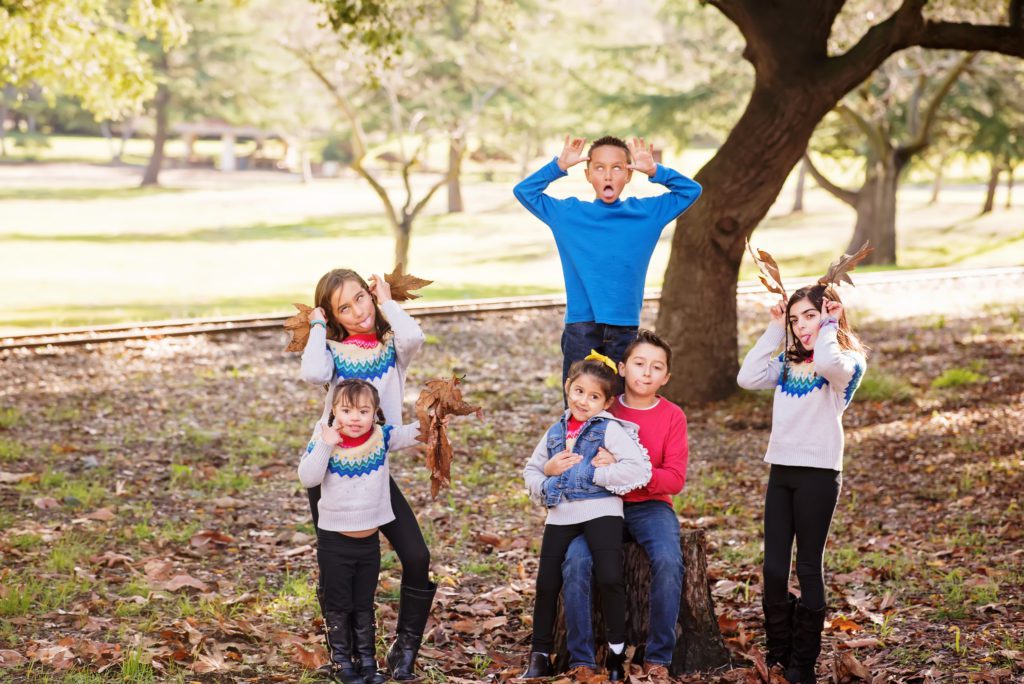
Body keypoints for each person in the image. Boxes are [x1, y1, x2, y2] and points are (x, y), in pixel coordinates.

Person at [300, 269, 433, 681]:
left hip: (375, 466)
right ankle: (345, 659)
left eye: (362, 298)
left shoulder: (393, 346)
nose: (359, 311)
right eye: (345, 307)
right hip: (331, 469)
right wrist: (319, 326)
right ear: (336, 318)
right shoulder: (335, 352)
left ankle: (404, 650)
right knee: (337, 571)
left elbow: (415, 338)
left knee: (417, 556)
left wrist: (387, 300)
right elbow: (313, 374)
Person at [737, 285, 866, 684]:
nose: (801, 326)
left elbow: (829, 362)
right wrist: (777, 328)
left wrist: (829, 324)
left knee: (808, 567)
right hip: (782, 472)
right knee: (774, 568)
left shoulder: (847, 362)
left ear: (829, 315)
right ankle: (779, 652)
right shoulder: (788, 364)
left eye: (808, 315)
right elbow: (747, 376)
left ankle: (802, 665)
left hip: (819, 475)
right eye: (796, 319)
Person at [512, 135, 702, 390]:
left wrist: (655, 170)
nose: (608, 176)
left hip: (624, 327)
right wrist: (558, 166)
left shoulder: (647, 214)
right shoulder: (569, 214)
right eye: (599, 168)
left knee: (620, 404)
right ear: (588, 175)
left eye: (617, 168)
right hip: (581, 326)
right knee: (579, 404)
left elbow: (691, 190)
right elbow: (524, 191)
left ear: (629, 174)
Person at [560, 330, 689, 681]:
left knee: (668, 559)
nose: (646, 373)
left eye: (656, 367)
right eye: (639, 363)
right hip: (601, 504)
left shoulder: (672, 416)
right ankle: (582, 659)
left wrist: (629, 472)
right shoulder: (601, 408)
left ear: (666, 377)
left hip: (651, 506)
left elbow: (674, 479)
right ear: (622, 367)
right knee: (575, 561)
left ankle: (658, 656)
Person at [521, 353, 652, 681]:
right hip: (561, 514)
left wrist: (599, 474)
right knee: (547, 582)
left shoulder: (609, 429)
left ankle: (616, 656)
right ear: (568, 386)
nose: (583, 401)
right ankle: (539, 655)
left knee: (609, 577)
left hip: (601, 511)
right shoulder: (554, 431)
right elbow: (531, 471)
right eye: (578, 391)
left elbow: (639, 468)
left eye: (594, 396)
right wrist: (549, 474)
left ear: (607, 402)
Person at [298, 380, 422, 684]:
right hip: (334, 542)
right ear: (334, 412)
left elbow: (414, 433)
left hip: (368, 542)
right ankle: (342, 663)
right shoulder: (327, 441)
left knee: (364, 604)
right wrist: (326, 443)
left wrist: (438, 415)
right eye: (346, 410)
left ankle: (367, 662)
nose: (355, 418)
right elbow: (308, 477)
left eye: (363, 411)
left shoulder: (382, 437)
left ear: (375, 413)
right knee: (339, 605)